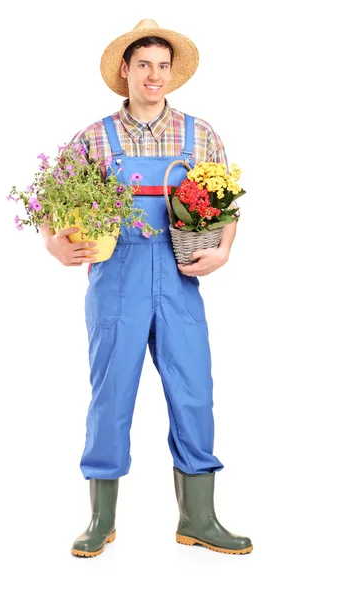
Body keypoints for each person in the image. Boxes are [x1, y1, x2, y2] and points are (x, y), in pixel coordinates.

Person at [40, 19, 253, 557]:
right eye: (143, 65)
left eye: (162, 66)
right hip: (116, 279)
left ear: (171, 72)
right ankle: (100, 520)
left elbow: (227, 204)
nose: (154, 75)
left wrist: (224, 249)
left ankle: (199, 519)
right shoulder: (94, 138)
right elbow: (51, 202)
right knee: (111, 396)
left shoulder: (201, 134)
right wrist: (53, 243)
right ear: (125, 71)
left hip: (180, 279)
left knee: (194, 392)